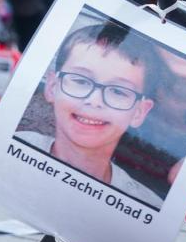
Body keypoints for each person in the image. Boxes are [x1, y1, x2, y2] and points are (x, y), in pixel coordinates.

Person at [17, 19, 162, 206]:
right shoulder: (10, 151)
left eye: (118, 91)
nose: (94, 101)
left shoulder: (144, 206)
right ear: (52, 86)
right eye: (80, 81)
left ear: (139, 112)